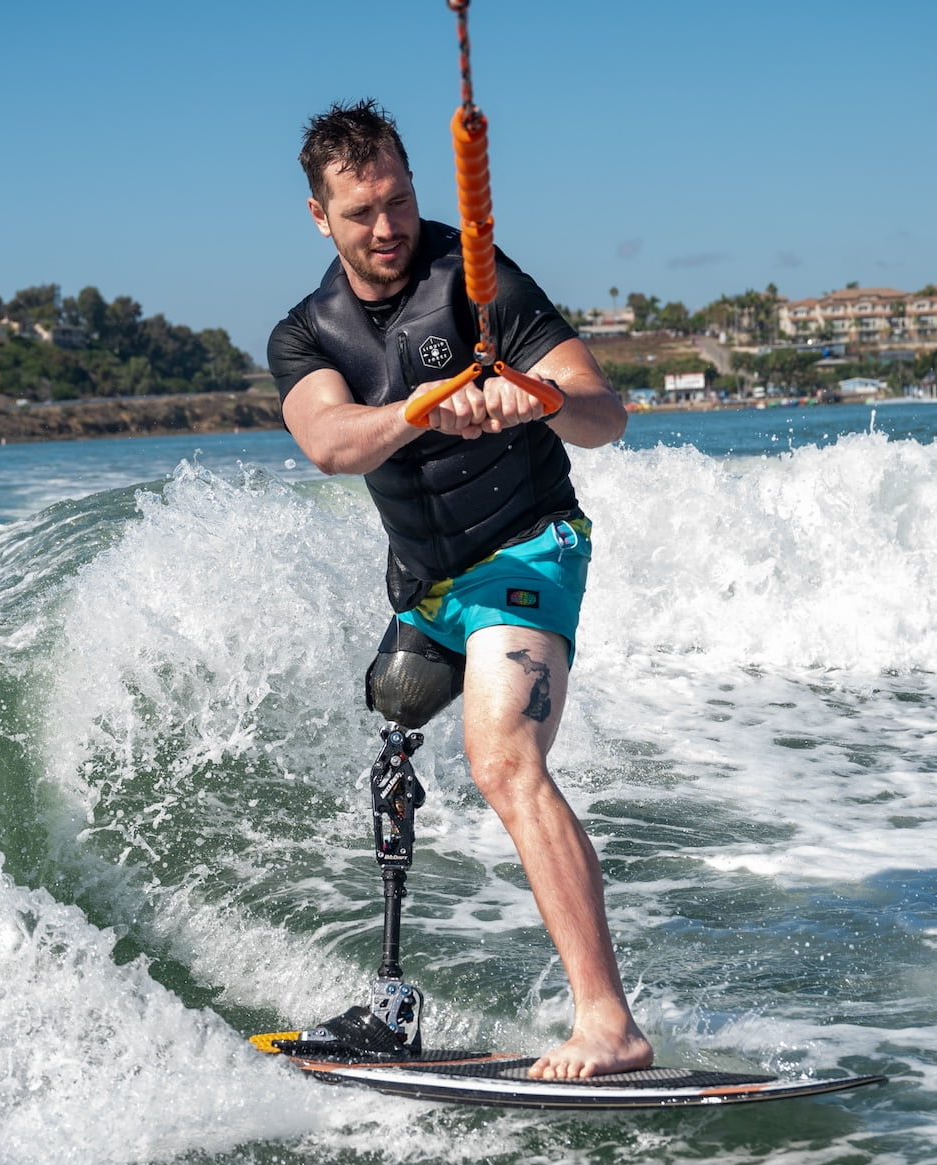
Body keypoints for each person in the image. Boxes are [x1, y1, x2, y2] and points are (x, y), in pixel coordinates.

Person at [266, 100, 651, 1080]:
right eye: (360, 214)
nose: (386, 227)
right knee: (394, 726)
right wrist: (431, 405)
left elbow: (606, 415)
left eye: (396, 201)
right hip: (423, 587)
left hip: (526, 551)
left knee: (501, 761)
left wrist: (542, 397)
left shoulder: (479, 284)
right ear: (319, 216)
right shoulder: (307, 335)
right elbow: (328, 440)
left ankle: (606, 1022)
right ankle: (392, 1001)